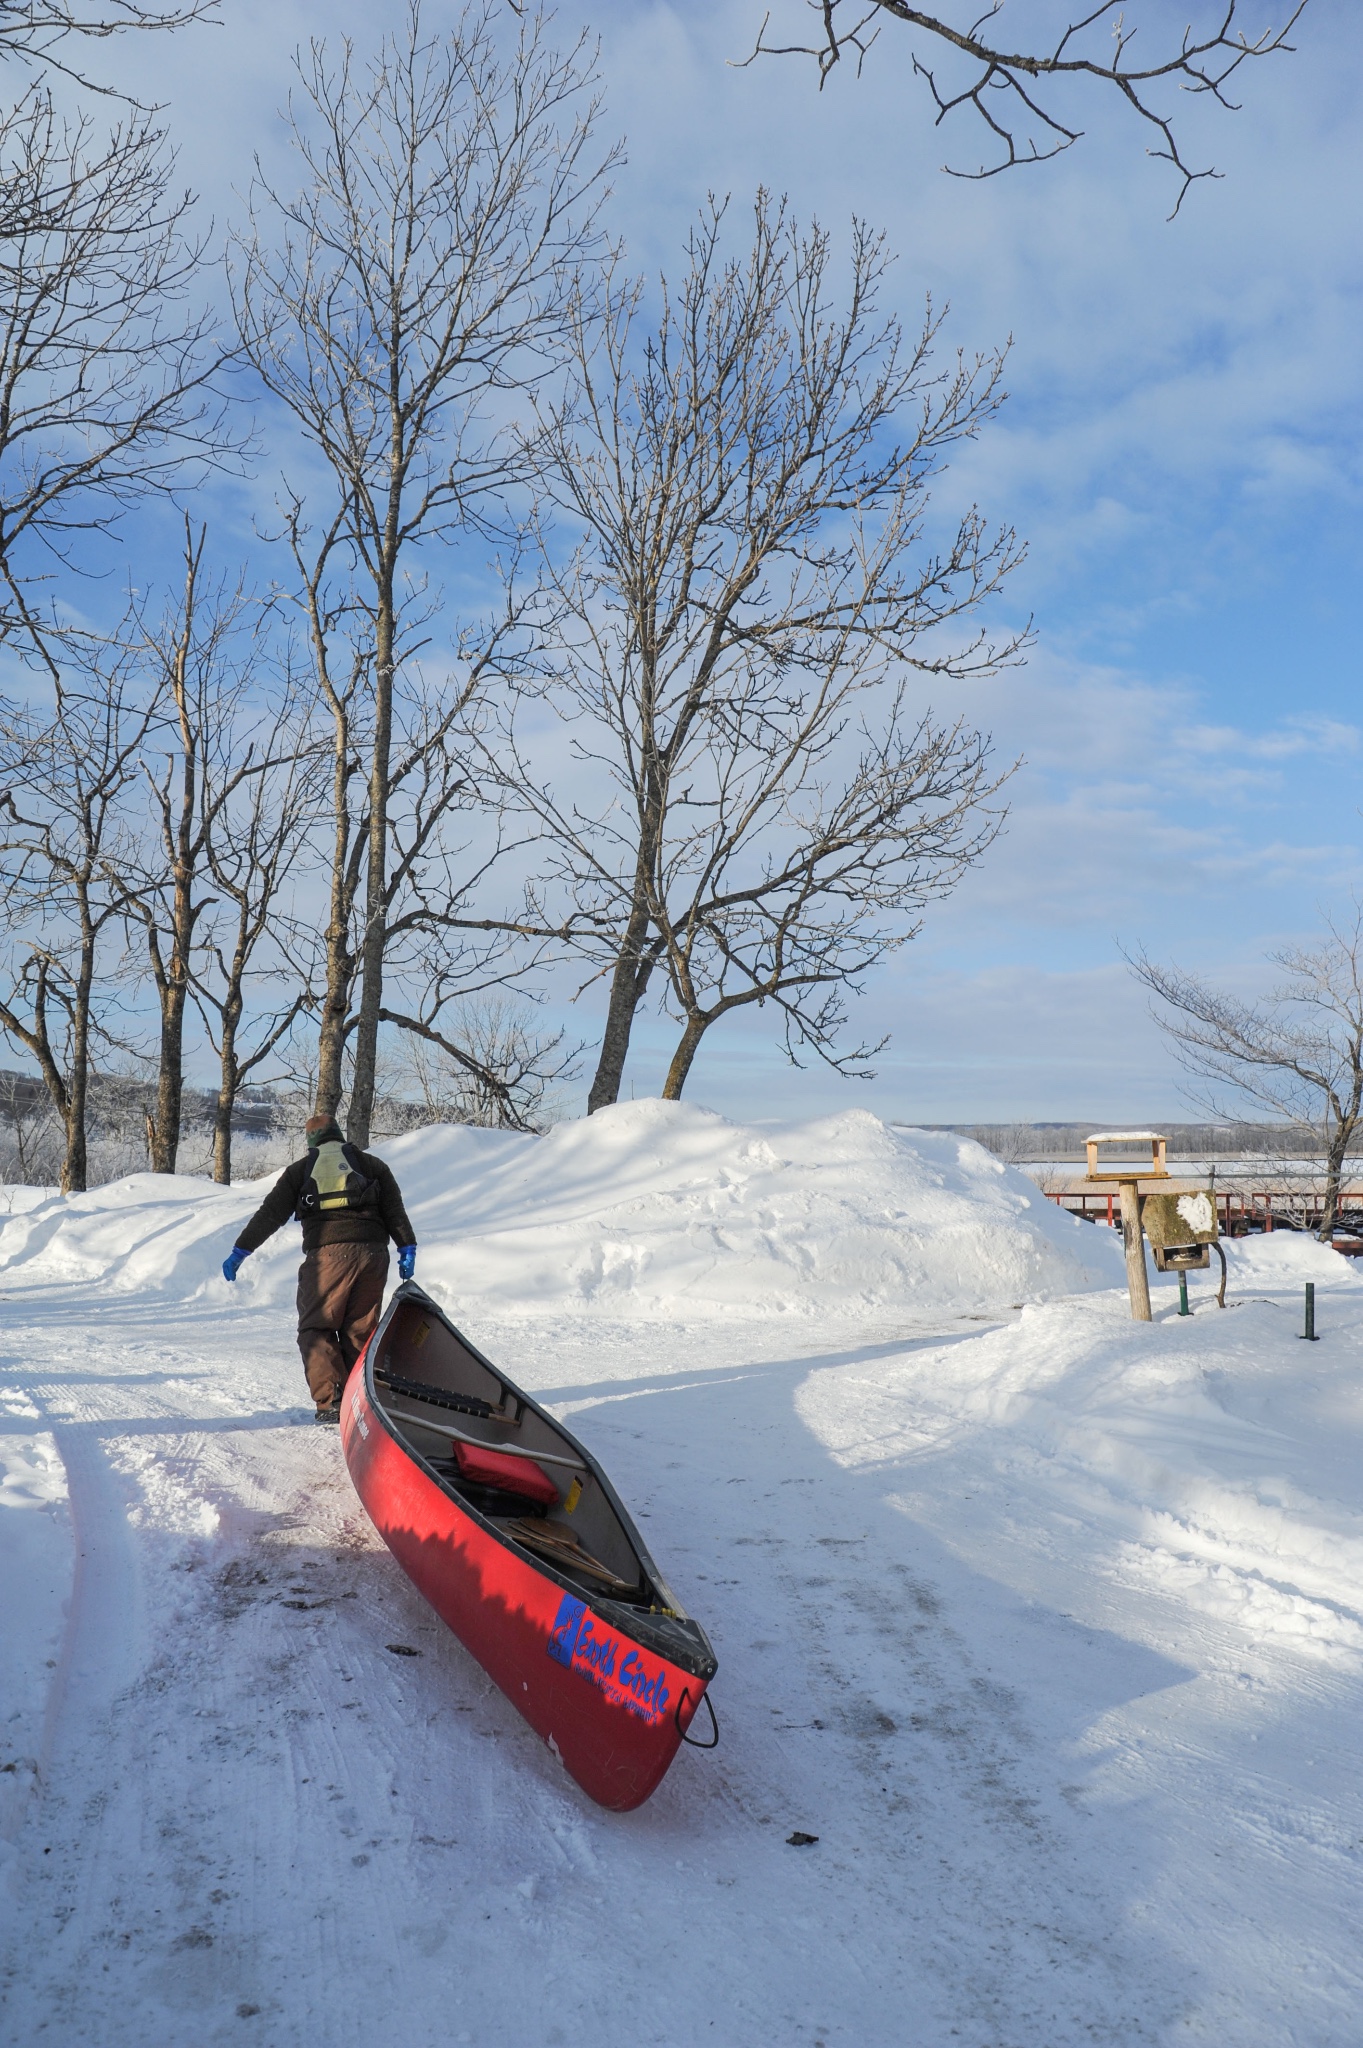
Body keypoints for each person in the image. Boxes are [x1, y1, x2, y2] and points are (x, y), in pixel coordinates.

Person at [222, 1112, 418, 1423]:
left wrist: (240, 1250)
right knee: (360, 1332)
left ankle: (332, 1404)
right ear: (340, 1135)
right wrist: (407, 1247)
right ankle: (363, 1400)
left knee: (317, 1328)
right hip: (373, 1256)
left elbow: (269, 1215)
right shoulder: (373, 1166)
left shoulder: (299, 1172)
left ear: (310, 1142)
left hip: (327, 1258)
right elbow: (395, 1211)